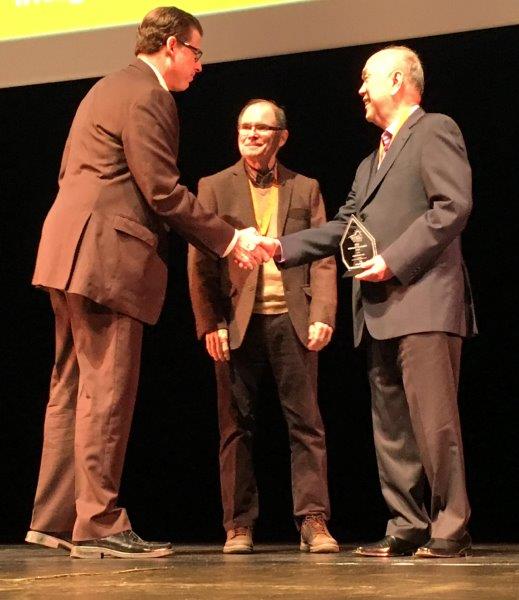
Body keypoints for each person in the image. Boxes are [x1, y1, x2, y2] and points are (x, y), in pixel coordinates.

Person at [26, 6, 263, 560]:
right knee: (107, 389)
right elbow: (161, 190)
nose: (200, 66)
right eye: (197, 53)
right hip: (107, 258)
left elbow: (73, 174)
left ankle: (55, 518)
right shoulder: (151, 95)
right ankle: (99, 522)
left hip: (66, 251)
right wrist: (231, 239)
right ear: (172, 45)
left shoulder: (104, 88)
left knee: (71, 387)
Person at [259, 46, 476, 558]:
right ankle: (407, 525)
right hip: (379, 309)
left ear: (398, 80)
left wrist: (394, 260)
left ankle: (450, 529)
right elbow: (343, 227)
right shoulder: (367, 163)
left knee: (434, 423)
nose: (359, 89)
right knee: (393, 430)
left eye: (367, 78)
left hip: (425, 301)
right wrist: (281, 247)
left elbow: (453, 206)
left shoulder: (435, 130)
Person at [187, 99, 339, 554]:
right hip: (236, 322)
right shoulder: (213, 187)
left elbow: (323, 255)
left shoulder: (305, 187)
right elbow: (200, 262)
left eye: (261, 128)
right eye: (244, 127)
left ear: (282, 137)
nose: (251, 134)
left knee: (306, 424)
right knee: (235, 426)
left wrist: (323, 313)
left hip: (292, 319)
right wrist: (209, 322)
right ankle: (238, 524)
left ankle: (313, 520)